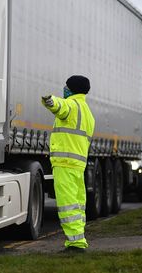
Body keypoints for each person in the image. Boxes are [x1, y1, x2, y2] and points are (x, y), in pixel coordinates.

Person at [41, 75, 95, 252]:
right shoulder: (87, 112)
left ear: (72, 89)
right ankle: (78, 239)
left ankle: (75, 244)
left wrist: (47, 99)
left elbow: (58, 106)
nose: (64, 88)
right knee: (78, 203)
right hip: (78, 164)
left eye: (66, 86)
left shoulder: (71, 105)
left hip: (64, 163)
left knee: (67, 203)